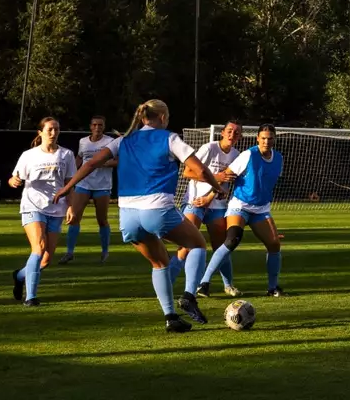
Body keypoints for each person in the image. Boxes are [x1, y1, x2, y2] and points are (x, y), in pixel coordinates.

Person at [53, 98, 221, 332]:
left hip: (128, 217)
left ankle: (171, 317)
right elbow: (200, 169)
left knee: (159, 263)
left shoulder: (122, 141)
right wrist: (218, 187)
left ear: (142, 118)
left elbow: (90, 164)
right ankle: (189, 296)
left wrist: (66, 186)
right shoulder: (170, 138)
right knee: (197, 245)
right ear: (163, 117)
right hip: (158, 209)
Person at [200, 124, 284, 297]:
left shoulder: (279, 159)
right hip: (240, 205)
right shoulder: (248, 155)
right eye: (263, 138)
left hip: (261, 209)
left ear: (275, 139)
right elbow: (226, 175)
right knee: (232, 240)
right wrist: (210, 197)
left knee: (274, 244)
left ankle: (272, 288)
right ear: (257, 139)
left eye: (270, 138)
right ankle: (204, 283)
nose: (266, 141)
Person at [9, 116, 77, 306]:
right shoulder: (29, 155)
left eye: (57, 129)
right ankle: (31, 297)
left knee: (46, 260)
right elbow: (14, 178)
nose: (54, 133)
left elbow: (68, 184)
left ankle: (20, 275)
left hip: (56, 209)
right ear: (40, 133)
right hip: (32, 206)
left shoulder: (67, 155)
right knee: (38, 249)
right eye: (50, 130)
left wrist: (71, 206)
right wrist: (13, 182)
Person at [181, 121, 242, 297]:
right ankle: (178, 283)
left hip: (217, 206)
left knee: (221, 247)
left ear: (240, 136)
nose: (232, 134)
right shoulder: (209, 148)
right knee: (187, 244)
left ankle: (228, 285)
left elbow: (228, 182)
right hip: (195, 202)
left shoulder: (237, 155)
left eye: (237, 133)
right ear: (222, 133)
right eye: (229, 131)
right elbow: (187, 172)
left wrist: (221, 193)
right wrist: (216, 177)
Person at [63, 114, 117, 264]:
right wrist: (72, 174)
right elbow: (79, 159)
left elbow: (118, 161)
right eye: (94, 125)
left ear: (104, 127)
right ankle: (69, 252)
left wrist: (103, 163)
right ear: (90, 126)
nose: (97, 128)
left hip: (102, 186)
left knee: (102, 220)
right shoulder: (83, 142)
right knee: (74, 218)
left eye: (100, 125)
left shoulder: (110, 142)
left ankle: (105, 252)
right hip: (83, 184)